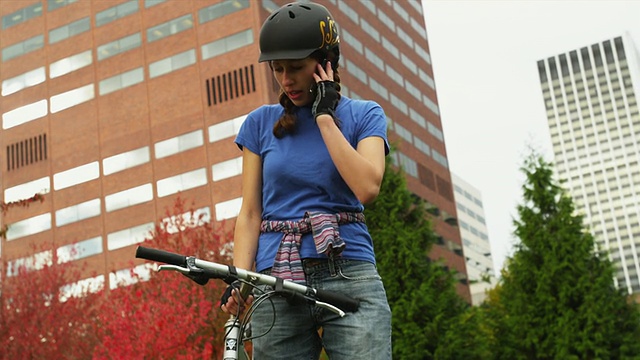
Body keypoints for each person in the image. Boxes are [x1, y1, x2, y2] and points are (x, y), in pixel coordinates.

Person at [221, 2, 392, 359]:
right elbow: (250, 213)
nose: (286, 80)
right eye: (278, 69)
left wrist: (325, 118)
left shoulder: (364, 115)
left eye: (296, 68)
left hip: (349, 271)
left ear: (326, 62)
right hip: (275, 280)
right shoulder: (258, 124)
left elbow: (367, 187)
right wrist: (240, 276)